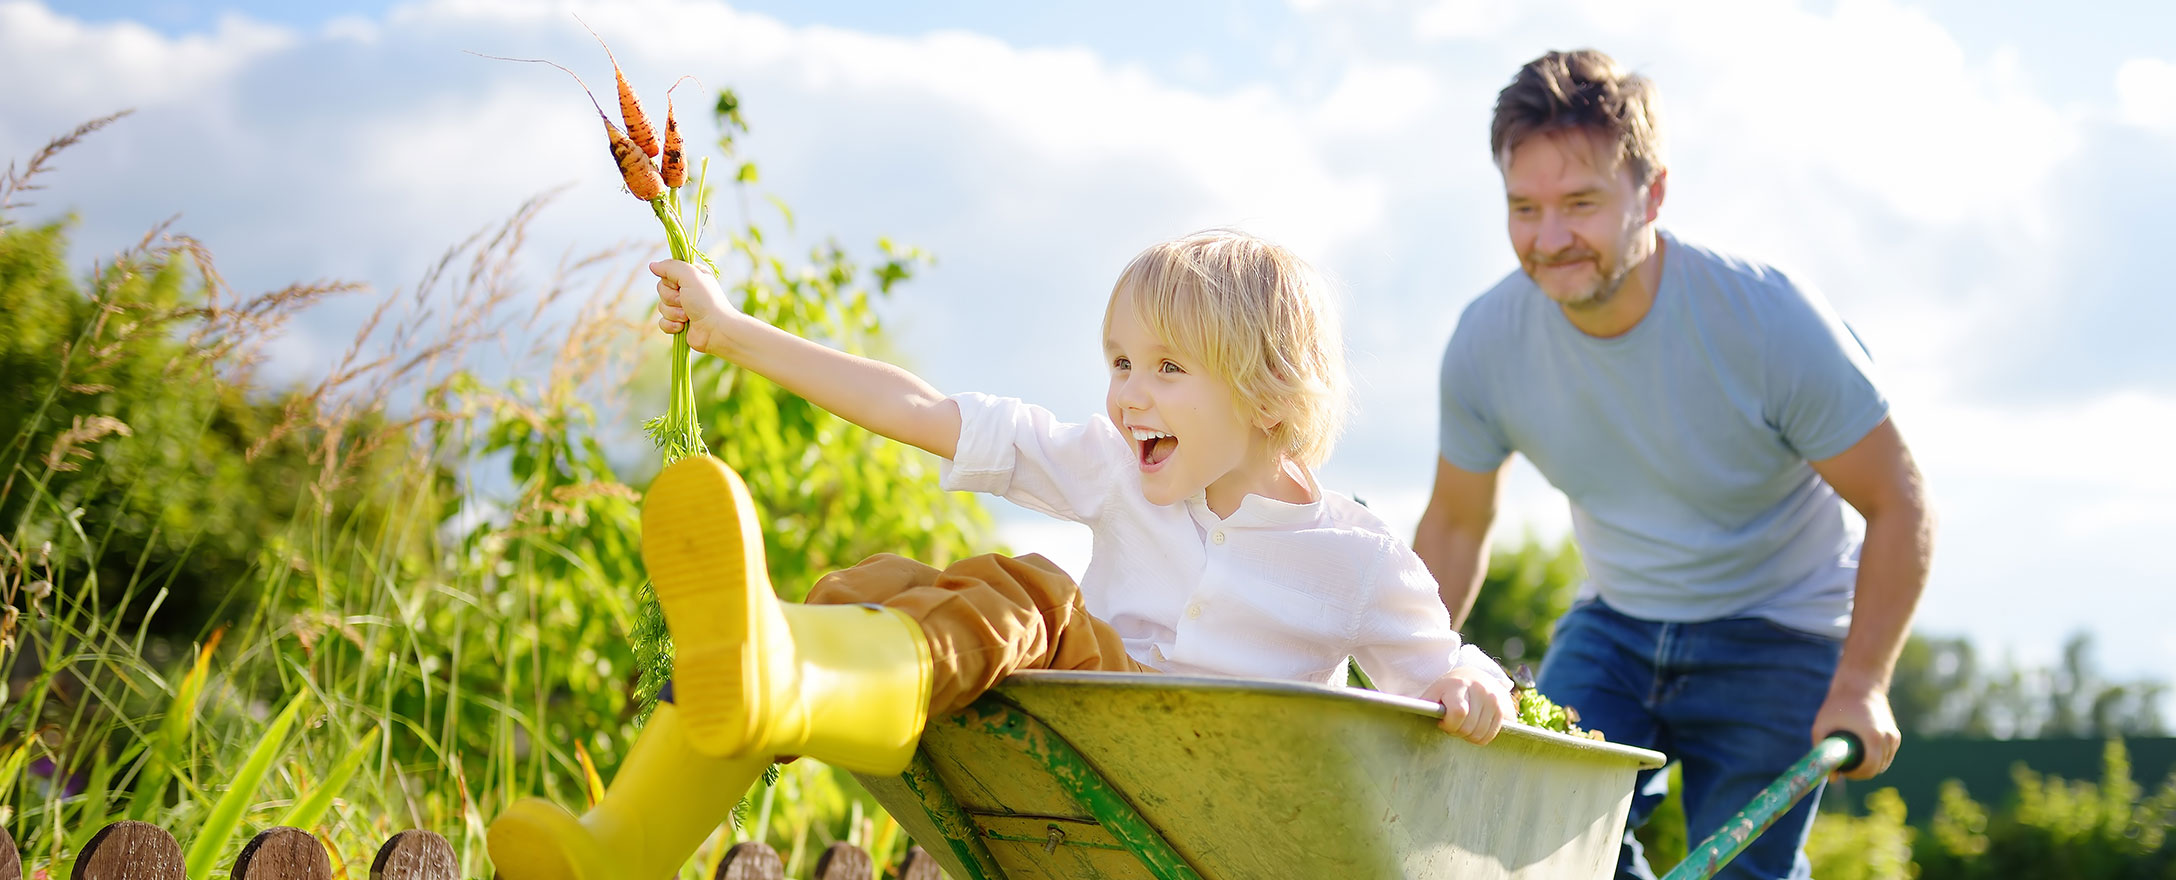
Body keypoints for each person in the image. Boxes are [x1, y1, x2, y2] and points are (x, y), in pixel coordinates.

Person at [488, 229, 1515, 880]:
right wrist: (728, 330)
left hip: (1204, 794)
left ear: (1269, 397)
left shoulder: (1358, 555)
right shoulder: (1116, 464)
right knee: (871, 596)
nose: (1126, 394)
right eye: (1118, 362)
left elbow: (1440, 668)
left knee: (1031, 591)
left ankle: (788, 680)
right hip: (1085, 760)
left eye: (1166, 366)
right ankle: (623, 844)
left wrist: (1475, 687)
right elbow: (925, 410)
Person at [1412, 50, 1936, 880]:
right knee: (1542, 844)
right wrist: (1406, 666)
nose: (1549, 239)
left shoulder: (1766, 320)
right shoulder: (1488, 343)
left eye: (1581, 204)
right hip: (1616, 623)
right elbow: (1454, 523)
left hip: (1781, 627)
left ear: (1651, 193)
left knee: (1744, 872)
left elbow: (1900, 502)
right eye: (1524, 208)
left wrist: (1864, 682)